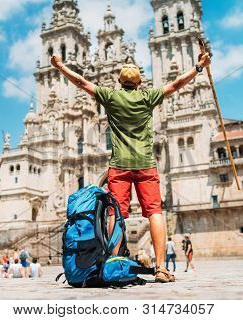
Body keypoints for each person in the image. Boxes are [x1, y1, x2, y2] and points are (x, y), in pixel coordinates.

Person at [50, 50, 211, 283]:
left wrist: (60, 67)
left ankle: (111, 262)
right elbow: (175, 84)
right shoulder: (148, 97)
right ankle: (161, 268)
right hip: (145, 164)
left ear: (118, 81)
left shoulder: (111, 97)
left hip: (119, 165)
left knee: (116, 214)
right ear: (139, 82)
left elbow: (82, 82)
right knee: (155, 212)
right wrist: (198, 67)